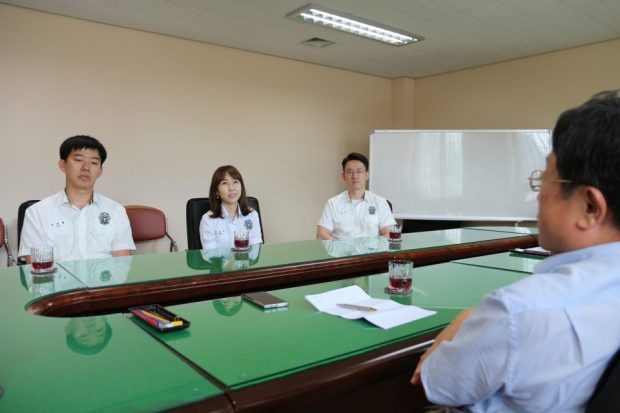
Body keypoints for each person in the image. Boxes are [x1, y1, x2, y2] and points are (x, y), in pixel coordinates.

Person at [411, 90, 620, 412]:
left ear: (590, 206)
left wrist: (468, 317)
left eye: (546, 179)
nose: (536, 196)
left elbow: (436, 382)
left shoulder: (517, 312)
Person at [19, 135, 135, 262]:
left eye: (94, 163)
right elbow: (36, 268)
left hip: (106, 281)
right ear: (63, 165)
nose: (86, 167)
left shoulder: (116, 211)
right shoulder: (37, 212)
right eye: (79, 160)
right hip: (57, 281)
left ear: (100, 171)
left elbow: (122, 265)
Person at [317, 152, 396, 240]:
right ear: (343, 176)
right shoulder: (333, 203)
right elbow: (321, 234)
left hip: (372, 251)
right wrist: (341, 247)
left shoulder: (380, 202)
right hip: (342, 252)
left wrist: (373, 248)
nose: (355, 176)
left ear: (367, 175)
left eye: (359, 171)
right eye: (350, 172)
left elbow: (389, 233)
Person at [199, 165, 262, 249]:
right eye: (224, 183)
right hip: (220, 262)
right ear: (216, 191)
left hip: (247, 262)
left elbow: (256, 251)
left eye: (235, 181)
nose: (231, 188)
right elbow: (211, 257)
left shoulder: (252, 215)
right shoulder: (208, 220)